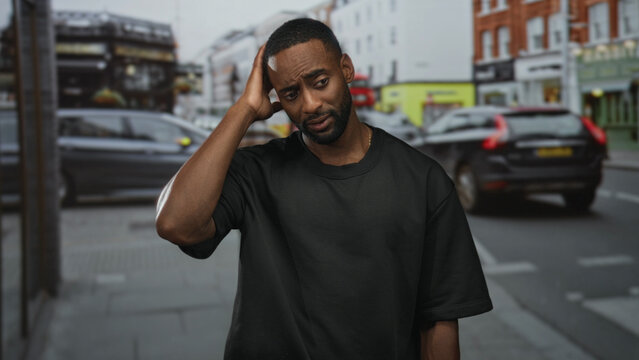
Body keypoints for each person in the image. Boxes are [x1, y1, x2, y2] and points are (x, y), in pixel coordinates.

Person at [156, 18, 492, 360]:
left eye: (320, 82)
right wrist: (242, 111)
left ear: (346, 68)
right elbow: (176, 224)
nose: (310, 104)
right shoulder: (256, 172)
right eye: (290, 93)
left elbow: (439, 321)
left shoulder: (423, 180)